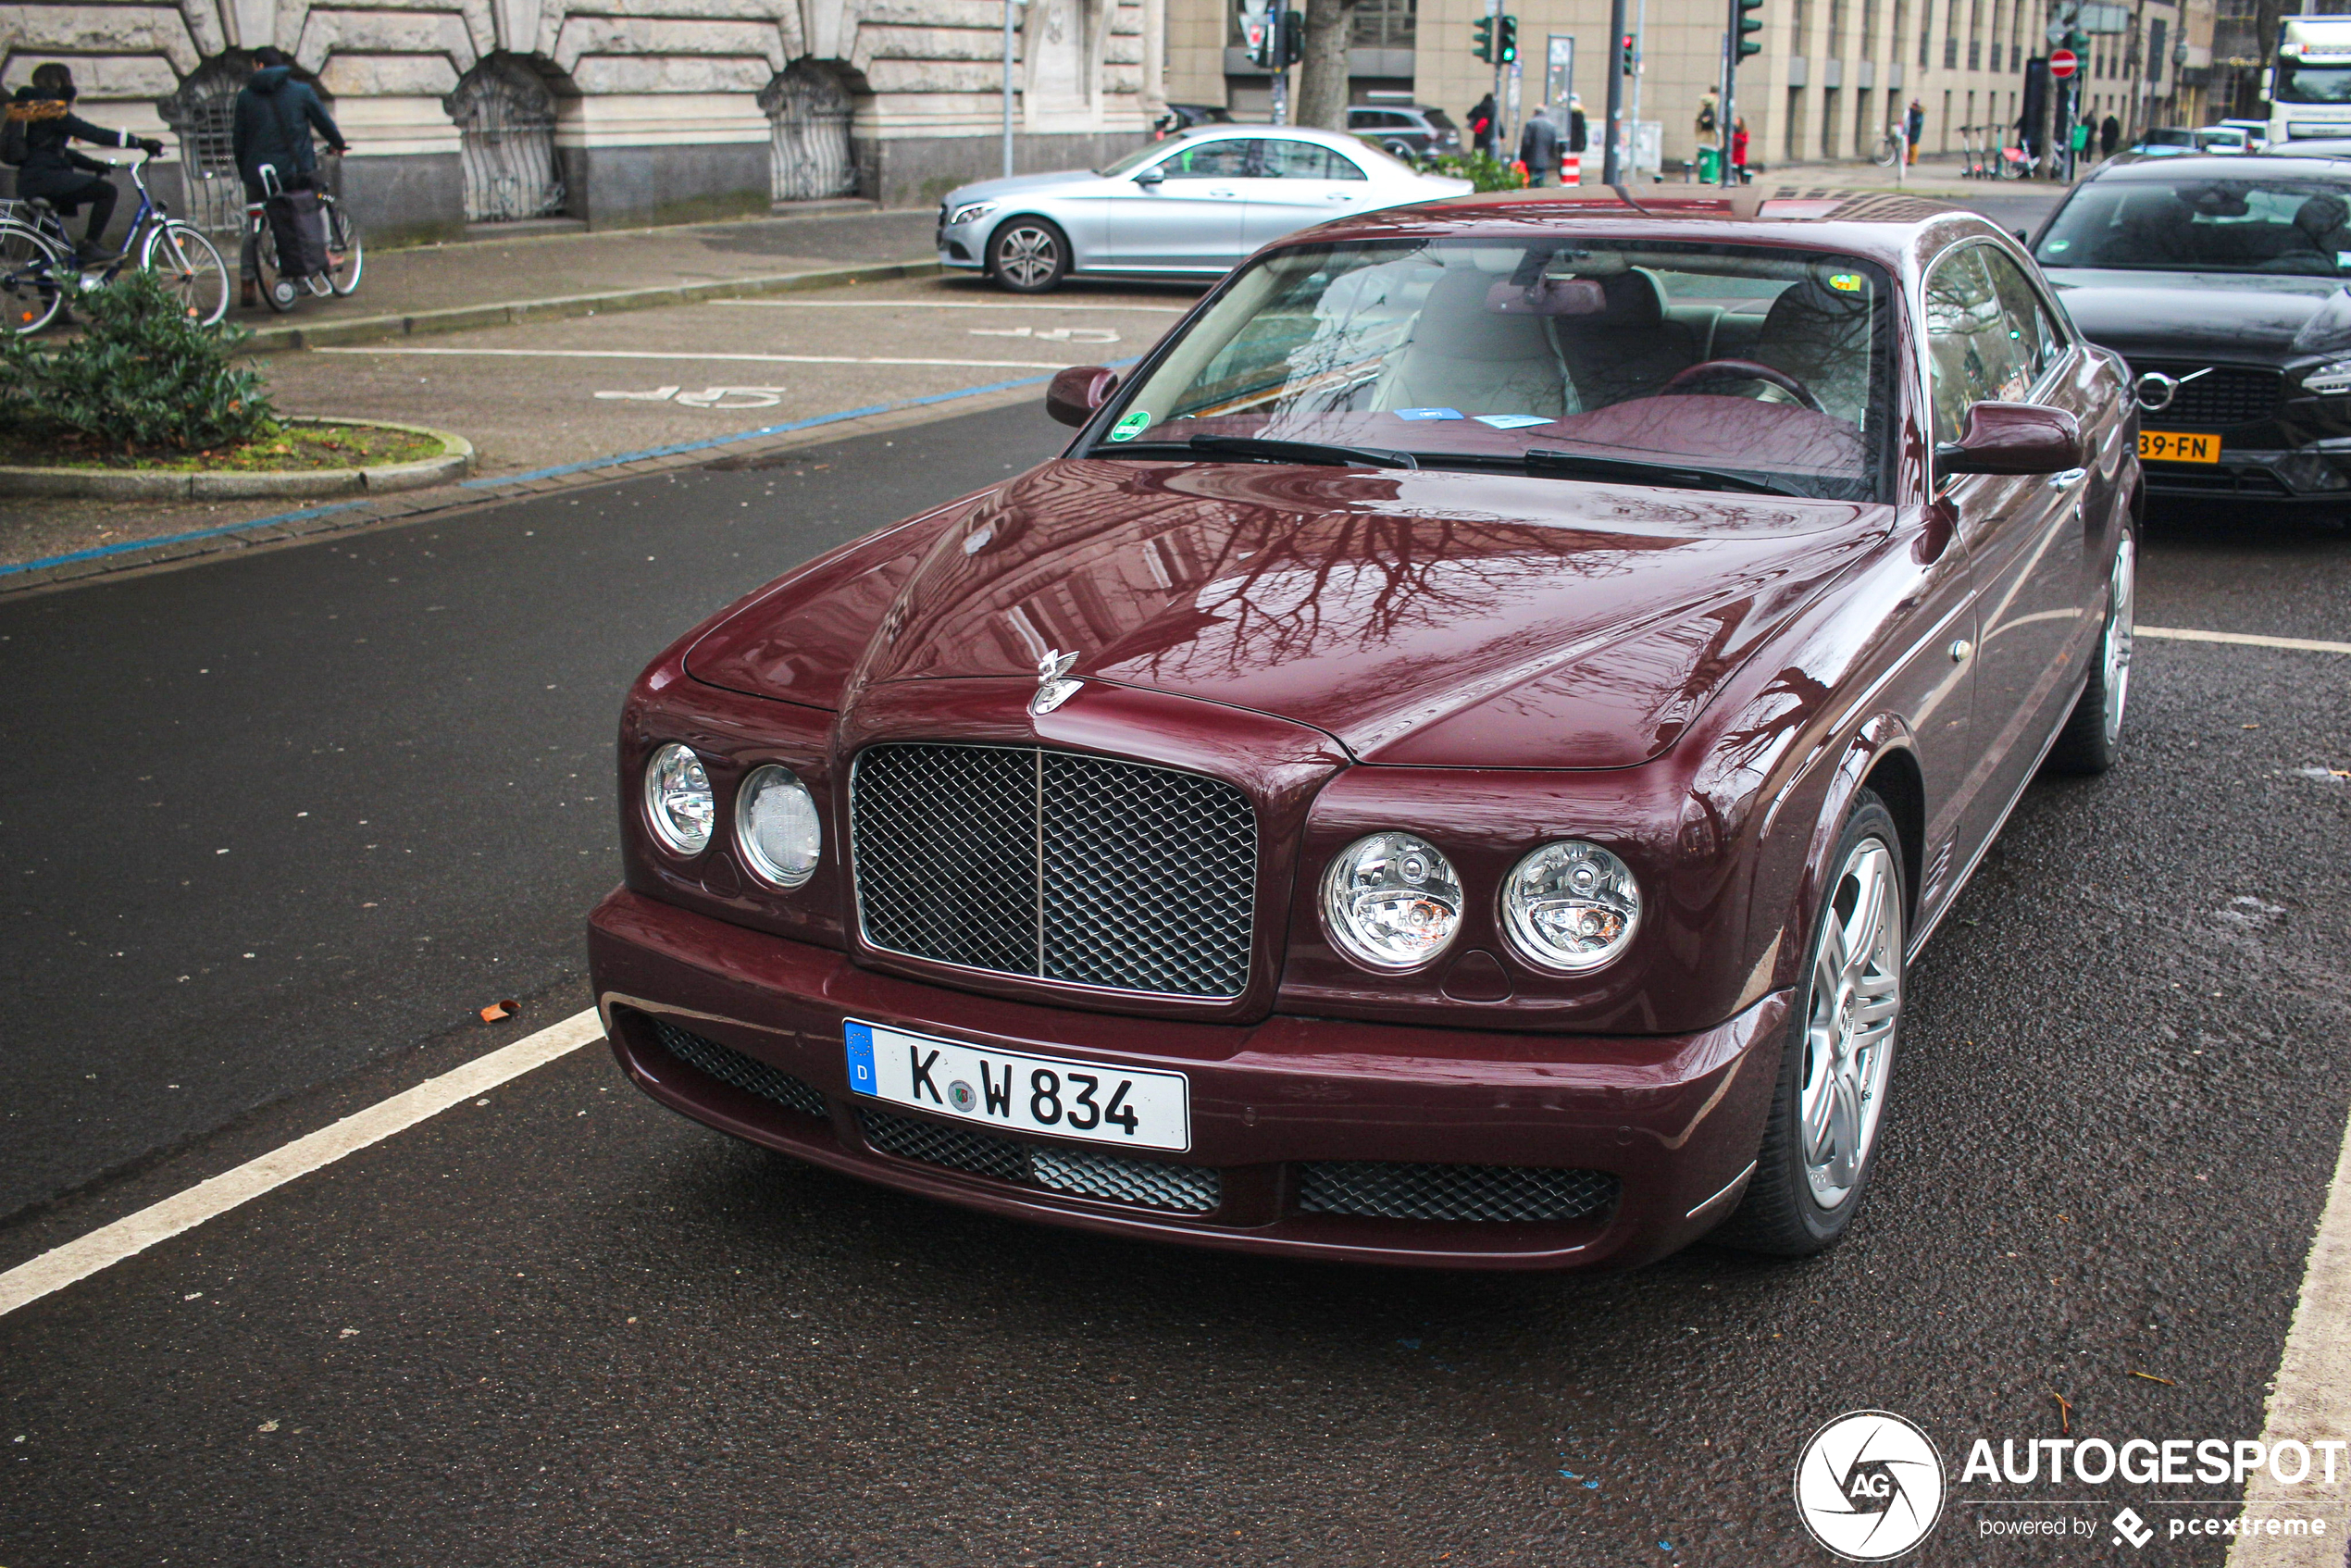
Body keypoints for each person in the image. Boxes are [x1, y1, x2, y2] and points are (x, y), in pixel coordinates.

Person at [5, 63, 161, 263]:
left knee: (46, 242)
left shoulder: (29, 108)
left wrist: (94, 165)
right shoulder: (51, 109)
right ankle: (90, 246)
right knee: (106, 192)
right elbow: (91, 133)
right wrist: (139, 142)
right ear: (61, 82)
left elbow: (55, 151)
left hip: (29, 181)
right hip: (45, 179)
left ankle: (48, 292)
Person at [232, 46, 348, 305]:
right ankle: (315, 263)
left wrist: (245, 171)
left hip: (258, 175)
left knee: (254, 228)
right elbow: (324, 123)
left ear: (260, 66)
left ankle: (248, 283)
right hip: (294, 173)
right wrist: (338, 143)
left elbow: (238, 141)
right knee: (310, 213)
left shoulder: (245, 98)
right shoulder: (301, 91)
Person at [1519, 106, 1560, 187]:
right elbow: (1554, 144)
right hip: (1544, 159)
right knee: (1540, 180)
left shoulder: (1530, 124)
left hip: (1530, 159)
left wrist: (1522, 157)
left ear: (1535, 112)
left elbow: (1526, 142)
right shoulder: (1551, 126)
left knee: (1531, 181)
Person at [1467, 93, 1498, 161]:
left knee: (1477, 148)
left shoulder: (1478, 107)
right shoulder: (1493, 109)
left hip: (1478, 131)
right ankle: (1486, 164)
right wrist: (1502, 135)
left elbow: (1468, 115)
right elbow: (1497, 122)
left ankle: (1475, 162)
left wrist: (1475, 120)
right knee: (1488, 151)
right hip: (1488, 133)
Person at [1731, 115, 1750, 184]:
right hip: (1734, 151)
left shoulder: (1744, 131)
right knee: (1733, 167)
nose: (1736, 122)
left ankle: (1743, 180)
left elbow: (1746, 140)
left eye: (1738, 121)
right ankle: (1733, 180)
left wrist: (1741, 140)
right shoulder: (1733, 130)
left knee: (1740, 168)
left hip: (1740, 152)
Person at [1905, 98, 1925, 165]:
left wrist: (1911, 123)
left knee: (1913, 146)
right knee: (1909, 146)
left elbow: (1917, 123)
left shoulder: (1919, 113)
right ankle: (1909, 159)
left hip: (1915, 132)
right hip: (1910, 131)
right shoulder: (1912, 111)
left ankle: (1913, 160)